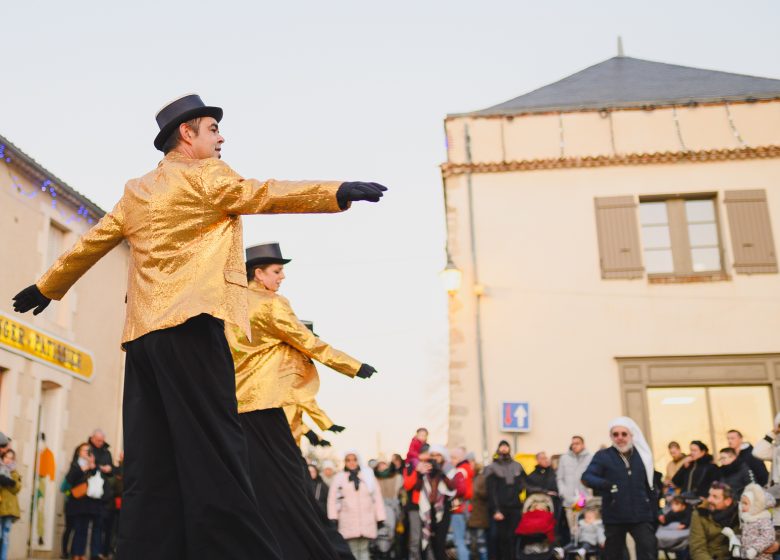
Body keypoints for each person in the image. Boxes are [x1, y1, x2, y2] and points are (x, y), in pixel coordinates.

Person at [11, 93, 387, 560]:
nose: (221, 137)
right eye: (213, 129)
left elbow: (93, 241)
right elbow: (263, 193)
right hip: (192, 327)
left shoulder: (138, 189)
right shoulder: (207, 175)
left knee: (154, 459)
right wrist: (335, 191)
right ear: (186, 134)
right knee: (216, 448)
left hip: (143, 339)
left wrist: (47, 286)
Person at [226, 242, 376, 559]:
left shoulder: (234, 304)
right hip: (269, 406)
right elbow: (308, 342)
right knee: (292, 487)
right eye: (277, 272)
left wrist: (319, 428)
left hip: (242, 407)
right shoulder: (272, 304)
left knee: (262, 486)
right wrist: (353, 365)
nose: (282, 278)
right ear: (259, 273)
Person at [581, 416, 657, 560]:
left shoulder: (642, 456)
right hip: (615, 515)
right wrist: (607, 485)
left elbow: (651, 485)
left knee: (648, 550)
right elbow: (587, 477)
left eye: (624, 434)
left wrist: (653, 510)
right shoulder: (603, 456)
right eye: (615, 434)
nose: (620, 438)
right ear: (611, 437)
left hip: (641, 515)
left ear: (631, 435)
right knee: (614, 555)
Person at [327, 452, 386, 560]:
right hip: (348, 520)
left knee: (364, 550)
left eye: (354, 459)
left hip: (367, 519)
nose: (351, 462)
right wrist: (333, 517)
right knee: (352, 550)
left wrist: (380, 518)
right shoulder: (339, 478)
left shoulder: (368, 476)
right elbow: (332, 498)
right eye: (348, 460)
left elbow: (377, 497)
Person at [486, 440, 526, 560]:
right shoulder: (492, 468)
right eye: (502, 447)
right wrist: (496, 510)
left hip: (514, 507)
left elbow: (524, 483)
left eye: (506, 446)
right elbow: (491, 491)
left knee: (513, 537)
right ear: (498, 449)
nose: (504, 449)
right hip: (501, 508)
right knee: (501, 538)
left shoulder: (517, 466)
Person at [65, 443, 105, 560]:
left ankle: (81, 554)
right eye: (84, 450)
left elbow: (96, 476)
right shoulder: (75, 465)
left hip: (89, 503)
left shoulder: (91, 465)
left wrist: (92, 465)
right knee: (78, 529)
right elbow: (69, 479)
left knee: (84, 530)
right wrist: (84, 468)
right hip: (77, 502)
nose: (87, 453)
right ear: (79, 452)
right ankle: (75, 554)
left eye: (89, 451)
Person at [722, 483, 776, 560]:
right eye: (741, 503)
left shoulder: (763, 520)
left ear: (755, 505)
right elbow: (747, 538)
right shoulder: (748, 521)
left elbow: (768, 537)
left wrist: (754, 549)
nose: (742, 506)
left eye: (745, 503)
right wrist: (733, 536)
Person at [688, 482, 739, 560]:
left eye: (715, 497)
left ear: (728, 501)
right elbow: (698, 550)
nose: (709, 499)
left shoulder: (738, 514)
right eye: (709, 495)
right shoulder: (700, 515)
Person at [557, 436, 593, 543]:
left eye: (577, 443)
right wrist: (564, 493)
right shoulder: (564, 458)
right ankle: (575, 551)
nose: (574, 446)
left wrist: (588, 494)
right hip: (570, 501)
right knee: (573, 530)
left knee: (588, 529)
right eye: (573, 443)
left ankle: (586, 551)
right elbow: (560, 478)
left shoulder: (590, 457)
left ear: (583, 445)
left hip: (585, 500)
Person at [87, 429, 115, 558]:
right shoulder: (87, 449)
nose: (100, 443)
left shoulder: (106, 452)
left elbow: (111, 469)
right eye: (98, 440)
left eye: (102, 441)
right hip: (88, 494)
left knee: (99, 526)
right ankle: (78, 553)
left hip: (102, 494)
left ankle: (95, 553)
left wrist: (109, 469)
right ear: (92, 438)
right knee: (84, 525)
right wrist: (99, 468)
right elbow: (89, 466)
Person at [449, 446, 474, 560]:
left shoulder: (460, 470)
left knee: (459, 540)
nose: (451, 460)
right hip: (467, 508)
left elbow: (460, 490)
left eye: (453, 458)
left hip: (459, 509)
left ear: (459, 458)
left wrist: (451, 495)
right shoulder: (468, 468)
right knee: (465, 540)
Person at [0, 449, 21, 560]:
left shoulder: (14, 472)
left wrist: (8, 481)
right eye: (6, 457)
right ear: (3, 458)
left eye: (11, 458)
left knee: (5, 536)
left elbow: (17, 488)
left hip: (9, 509)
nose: (8, 460)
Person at [469, 464, 490, 560]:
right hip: (472, 516)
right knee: (473, 544)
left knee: (481, 544)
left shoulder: (481, 479)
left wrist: (476, 491)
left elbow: (487, 494)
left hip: (480, 515)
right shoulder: (471, 478)